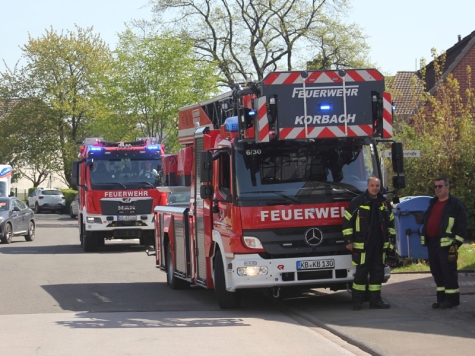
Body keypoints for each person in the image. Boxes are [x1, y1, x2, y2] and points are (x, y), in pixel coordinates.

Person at [342, 176, 397, 310]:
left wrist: (391, 243)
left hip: (379, 245)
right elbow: (347, 221)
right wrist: (349, 240)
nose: (375, 188)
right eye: (372, 185)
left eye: (377, 186)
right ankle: (357, 301)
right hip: (362, 245)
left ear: (380, 187)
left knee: (377, 274)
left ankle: (375, 301)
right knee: (361, 274)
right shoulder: (358, 201)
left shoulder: (384, 203)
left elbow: (390, 224)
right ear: (367, 186)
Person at [421, 177, 467, 309]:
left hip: (448, 245)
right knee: (436, 271)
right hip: (433, 243)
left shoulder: (456, 204)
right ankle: (441, 299)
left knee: (448, 272)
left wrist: (456, 244)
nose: (437, 189)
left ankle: (452, 299)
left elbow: (462, 225)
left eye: (440, 186)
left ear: (447, 187)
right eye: (435, 186)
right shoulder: (433, 202)